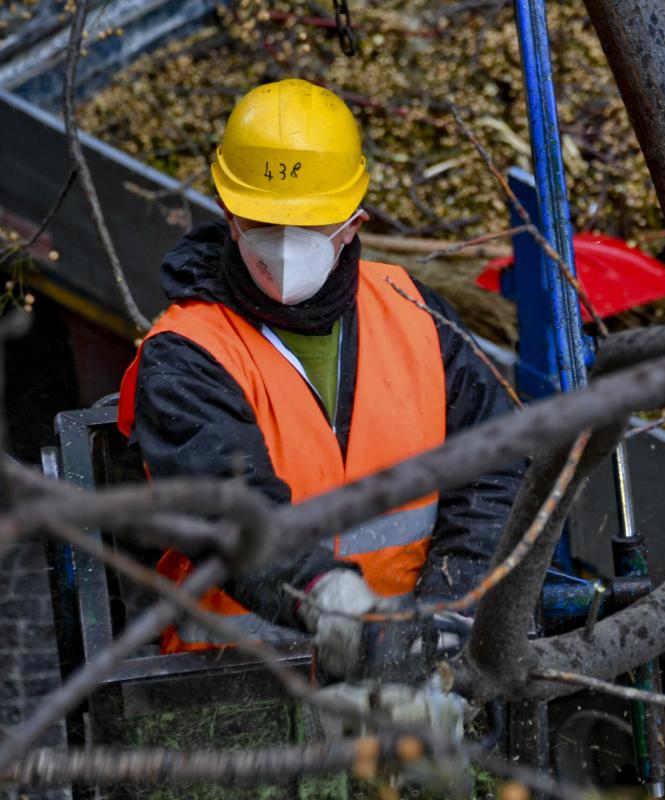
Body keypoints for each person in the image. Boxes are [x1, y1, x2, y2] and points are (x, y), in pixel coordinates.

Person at [116, 78, 523, 681]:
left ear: (352, 224)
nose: (284, 247)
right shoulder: (186, 355)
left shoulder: (415, 313)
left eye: (308, 224)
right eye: (262, 222)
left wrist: (452, 611)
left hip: (416, 660)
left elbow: (495, 466)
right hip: (236, 688)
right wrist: (337, 609)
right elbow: (230, 514)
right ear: (229, 217)